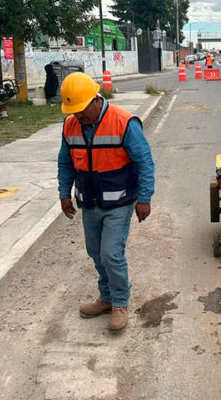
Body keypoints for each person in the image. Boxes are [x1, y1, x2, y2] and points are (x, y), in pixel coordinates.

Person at [57, 72, 154, 332]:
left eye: (80, 109)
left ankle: (120, 302)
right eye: (73, 110)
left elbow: (144, 162)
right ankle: (107, 297)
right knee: (96, 253)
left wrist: (144, 199)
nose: (77, 115)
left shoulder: (124, 122)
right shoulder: (70, 125)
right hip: (89, 201)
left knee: (111, 254)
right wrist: (64, 193)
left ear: (95, 100)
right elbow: (65, 162)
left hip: (119, 202)